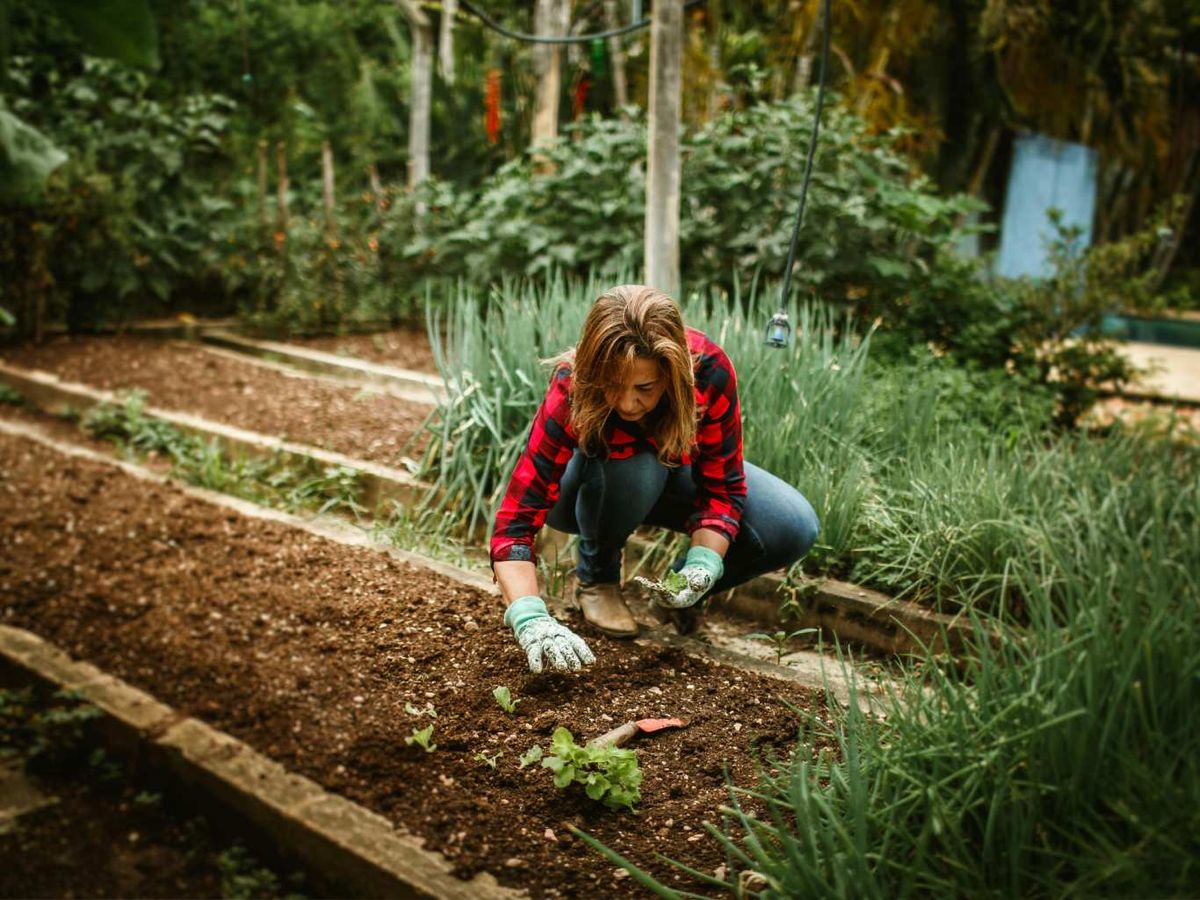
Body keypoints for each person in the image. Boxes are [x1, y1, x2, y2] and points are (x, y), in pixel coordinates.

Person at [492, 284, 820, 674]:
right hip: (580, 491)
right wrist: (530, 618)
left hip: (669, 472)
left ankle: (677, 595)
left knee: (792, 524)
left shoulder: (707, 370)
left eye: (644, 388)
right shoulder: (573, 383)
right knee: (635, 466)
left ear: (672, 371)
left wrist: (704, 563)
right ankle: (597, 578)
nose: (627, 403)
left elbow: (723, 488)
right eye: (612, 386)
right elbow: (515, 521)